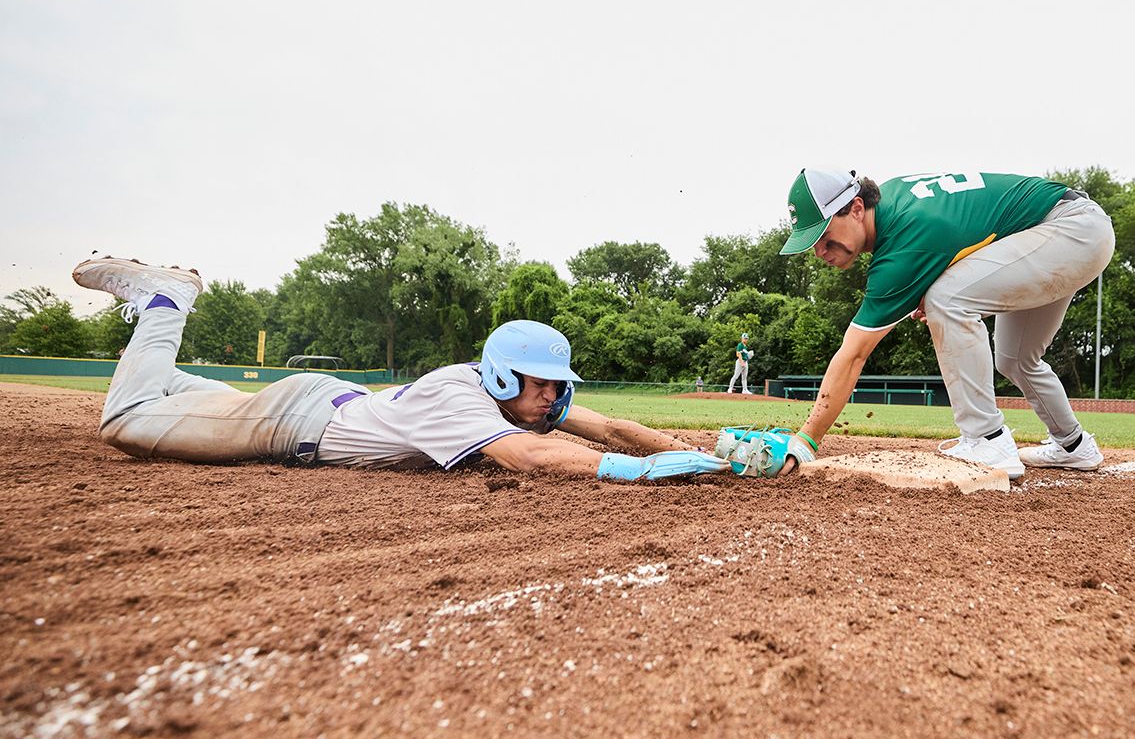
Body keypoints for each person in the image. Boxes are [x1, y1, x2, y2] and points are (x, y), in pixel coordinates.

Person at [72, 257, 729, 481]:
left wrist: (701, 455)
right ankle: (166, 302)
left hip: (322, 403)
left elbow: (608, 425)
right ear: (503, 379)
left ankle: (168, 367)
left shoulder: (507, 396)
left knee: (165, 397)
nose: (555, 399)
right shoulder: (462, 399)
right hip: (286, 421)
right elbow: (531, 459)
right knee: (126, 420)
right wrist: (635, 472)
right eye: (543, 385)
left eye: (560, 386)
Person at [770, 168, 1115, 479]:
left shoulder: (902, 242)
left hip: (1069, 229)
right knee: (1015, 358)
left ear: (857, 208)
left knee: (947, 300)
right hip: (1067, 230)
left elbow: (854, 355)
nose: (819, 251)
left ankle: (986, 438)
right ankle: (1074, 445)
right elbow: (955, 238)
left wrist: (806, 440)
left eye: (824, 234)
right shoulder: (895, 204)